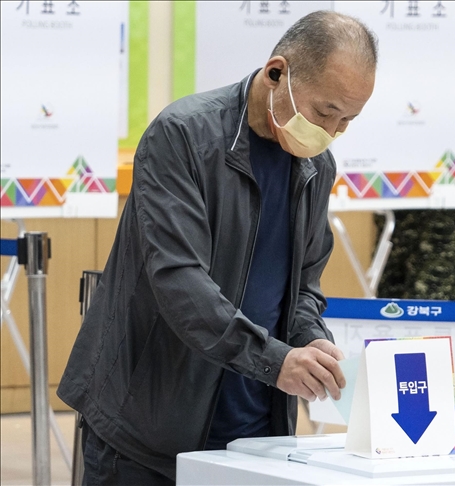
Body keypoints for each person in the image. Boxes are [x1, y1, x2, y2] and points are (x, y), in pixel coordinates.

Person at [57, 11, 377, 484]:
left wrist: (310, 340)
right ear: (277, 73)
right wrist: (275, 360)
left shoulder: (315, 167)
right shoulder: (183, 137)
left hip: (255, 432)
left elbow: (304, 284)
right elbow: (179, 281)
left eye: (348, 120)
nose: (332, 132)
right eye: (325, 112)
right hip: (147, 427)